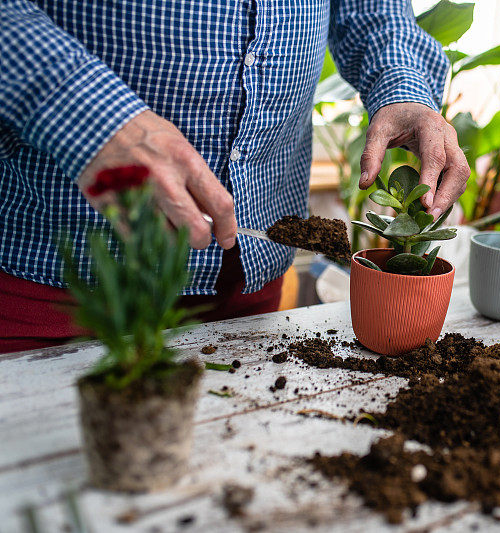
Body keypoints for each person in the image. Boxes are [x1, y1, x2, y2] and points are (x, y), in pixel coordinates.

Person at [0, 0, 470, 354]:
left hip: (247, 279)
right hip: (60, 276)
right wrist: (91, 115)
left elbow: (371, 10)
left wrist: (404, 87)